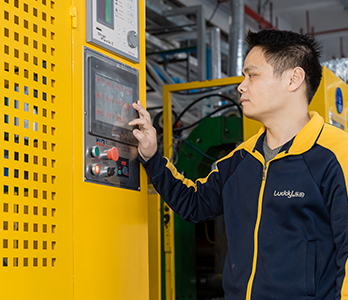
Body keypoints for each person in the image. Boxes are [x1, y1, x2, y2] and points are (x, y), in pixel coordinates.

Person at [129, 29, 348, 299]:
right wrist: (152, 157)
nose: (241, 86)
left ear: (294, 79)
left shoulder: (337, 155)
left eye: (252, 75)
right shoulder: (241, 159)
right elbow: (193, 203)